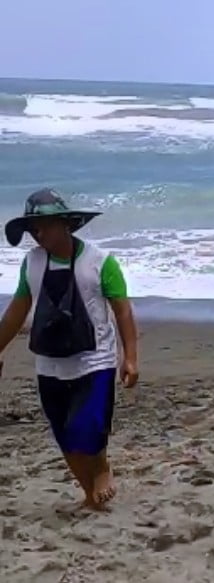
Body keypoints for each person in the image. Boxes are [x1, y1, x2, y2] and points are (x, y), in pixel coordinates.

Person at [0, 188, 139, 510]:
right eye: (33, 228)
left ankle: (102, 467)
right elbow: (17, 312)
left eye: (44, 225)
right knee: (65, 438)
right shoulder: (31, 264)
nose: (38, 233)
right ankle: (90, 495)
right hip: (49, 365)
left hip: (95, 361)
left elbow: (123, 311)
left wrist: (129, 357)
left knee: (87, 428)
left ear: (66, 224)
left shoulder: (100, 262)